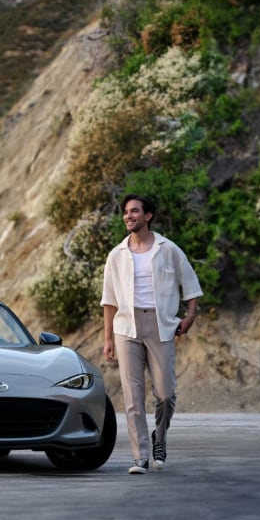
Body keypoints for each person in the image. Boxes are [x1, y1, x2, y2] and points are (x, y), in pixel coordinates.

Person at [101, 194, 202, 475]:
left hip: (161, 325)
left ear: (148, 216)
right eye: (125, 212)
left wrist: (190, 315)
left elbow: (190, 283)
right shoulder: (117, 255)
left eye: (134, 211)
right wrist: (108, 338)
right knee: (133, 397)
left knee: (166, 394)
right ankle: (140, 457)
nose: (128, 216)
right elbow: (109, 300)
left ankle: (160, 437)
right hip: (126, 328)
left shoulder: (168, 249)